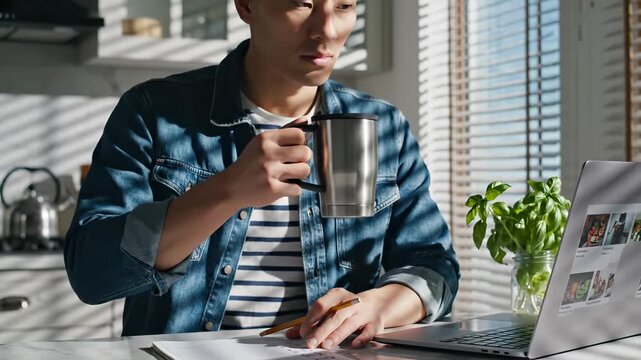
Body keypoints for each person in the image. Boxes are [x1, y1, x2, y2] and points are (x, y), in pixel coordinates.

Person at [64, 0, 460, 350]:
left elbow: (434, 267)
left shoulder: (383, 128)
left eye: (343, 6)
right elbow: (92, 274)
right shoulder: (153, 112)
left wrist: (379, 306)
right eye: (301, 4)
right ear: (246, 5)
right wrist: (227, 191)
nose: (327, 29)